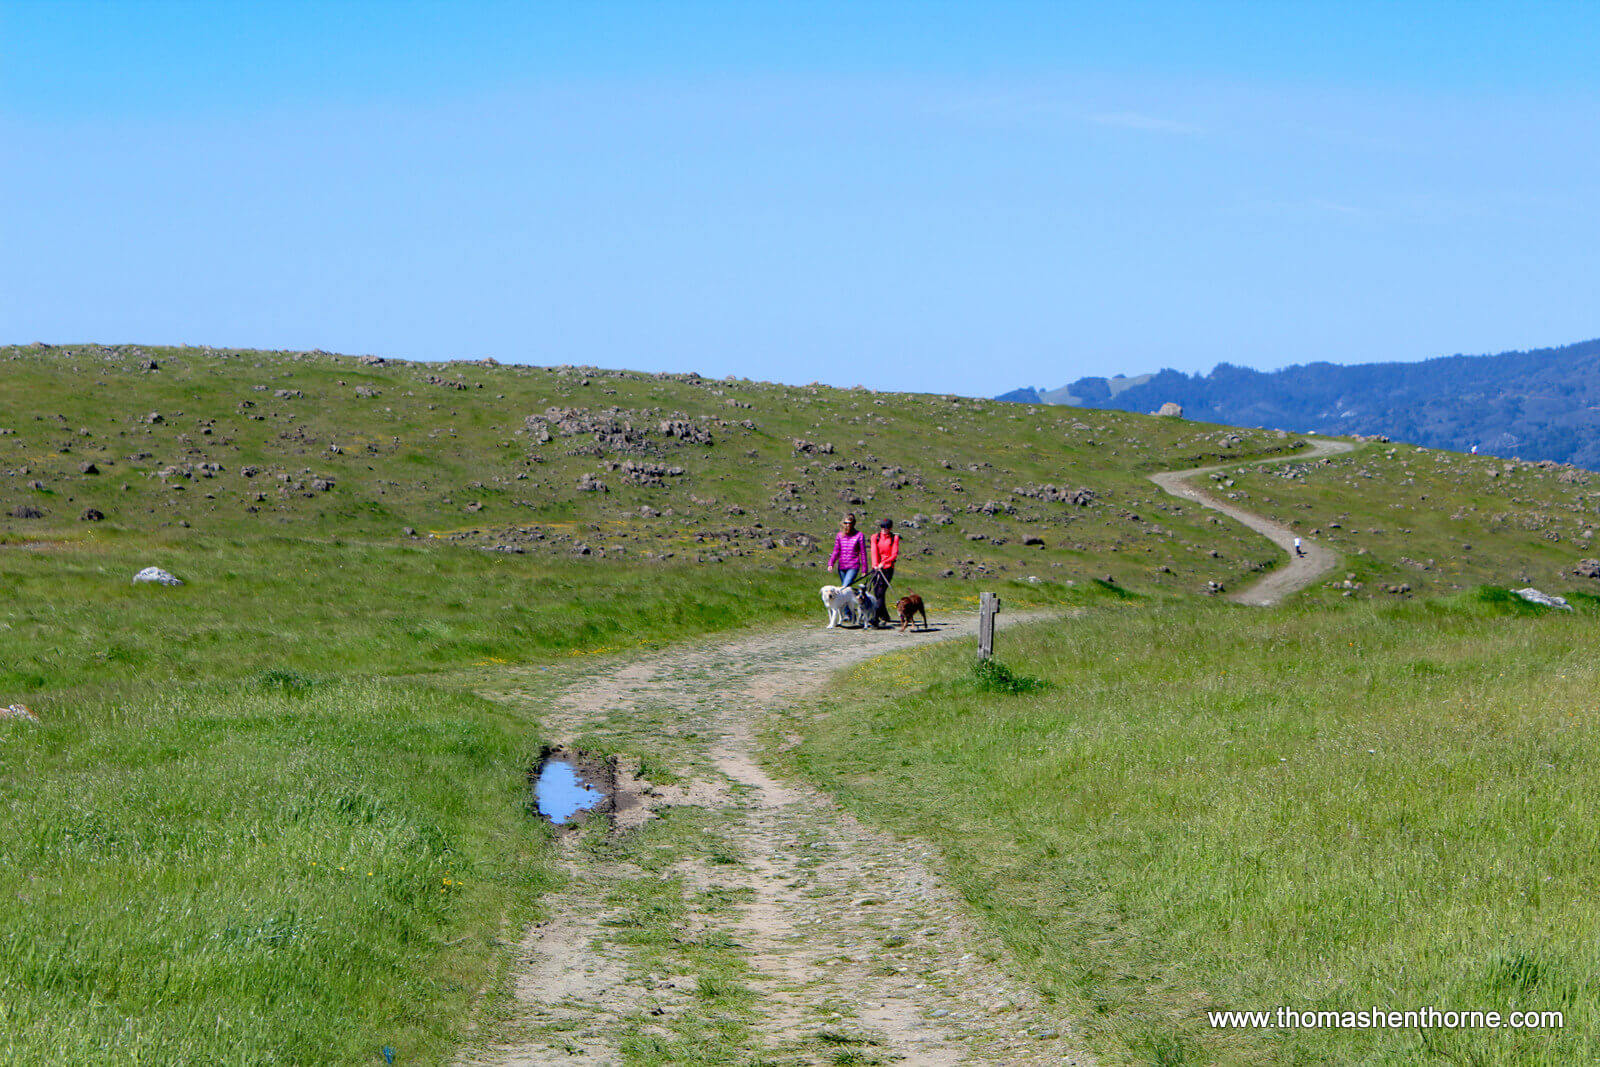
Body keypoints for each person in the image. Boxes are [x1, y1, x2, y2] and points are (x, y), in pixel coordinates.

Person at [868, 517, 901, 624]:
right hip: (877, 567)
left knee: (881, 592)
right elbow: (874, 552)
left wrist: (884, 563)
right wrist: (875, 565)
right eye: (882, 526)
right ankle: (885, 616)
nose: (884, 529)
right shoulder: (875, 537)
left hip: (888, 568)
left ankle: (875, 617)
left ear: (890, 528)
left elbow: (894, 554)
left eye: (886, 527)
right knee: (876, 592)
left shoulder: (894, 538)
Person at [827, 513, 869, 588]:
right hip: (842, 566)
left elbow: (863, 553)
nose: (847, 525)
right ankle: (854, 595)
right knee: (846, 589)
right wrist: (831, 563)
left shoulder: (859, 535)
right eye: (845, 523)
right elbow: (836, 551)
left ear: (853, 523)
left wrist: (864, 569)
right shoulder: (839, 535)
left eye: (850, 523)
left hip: (853, 566)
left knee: (844, 587)